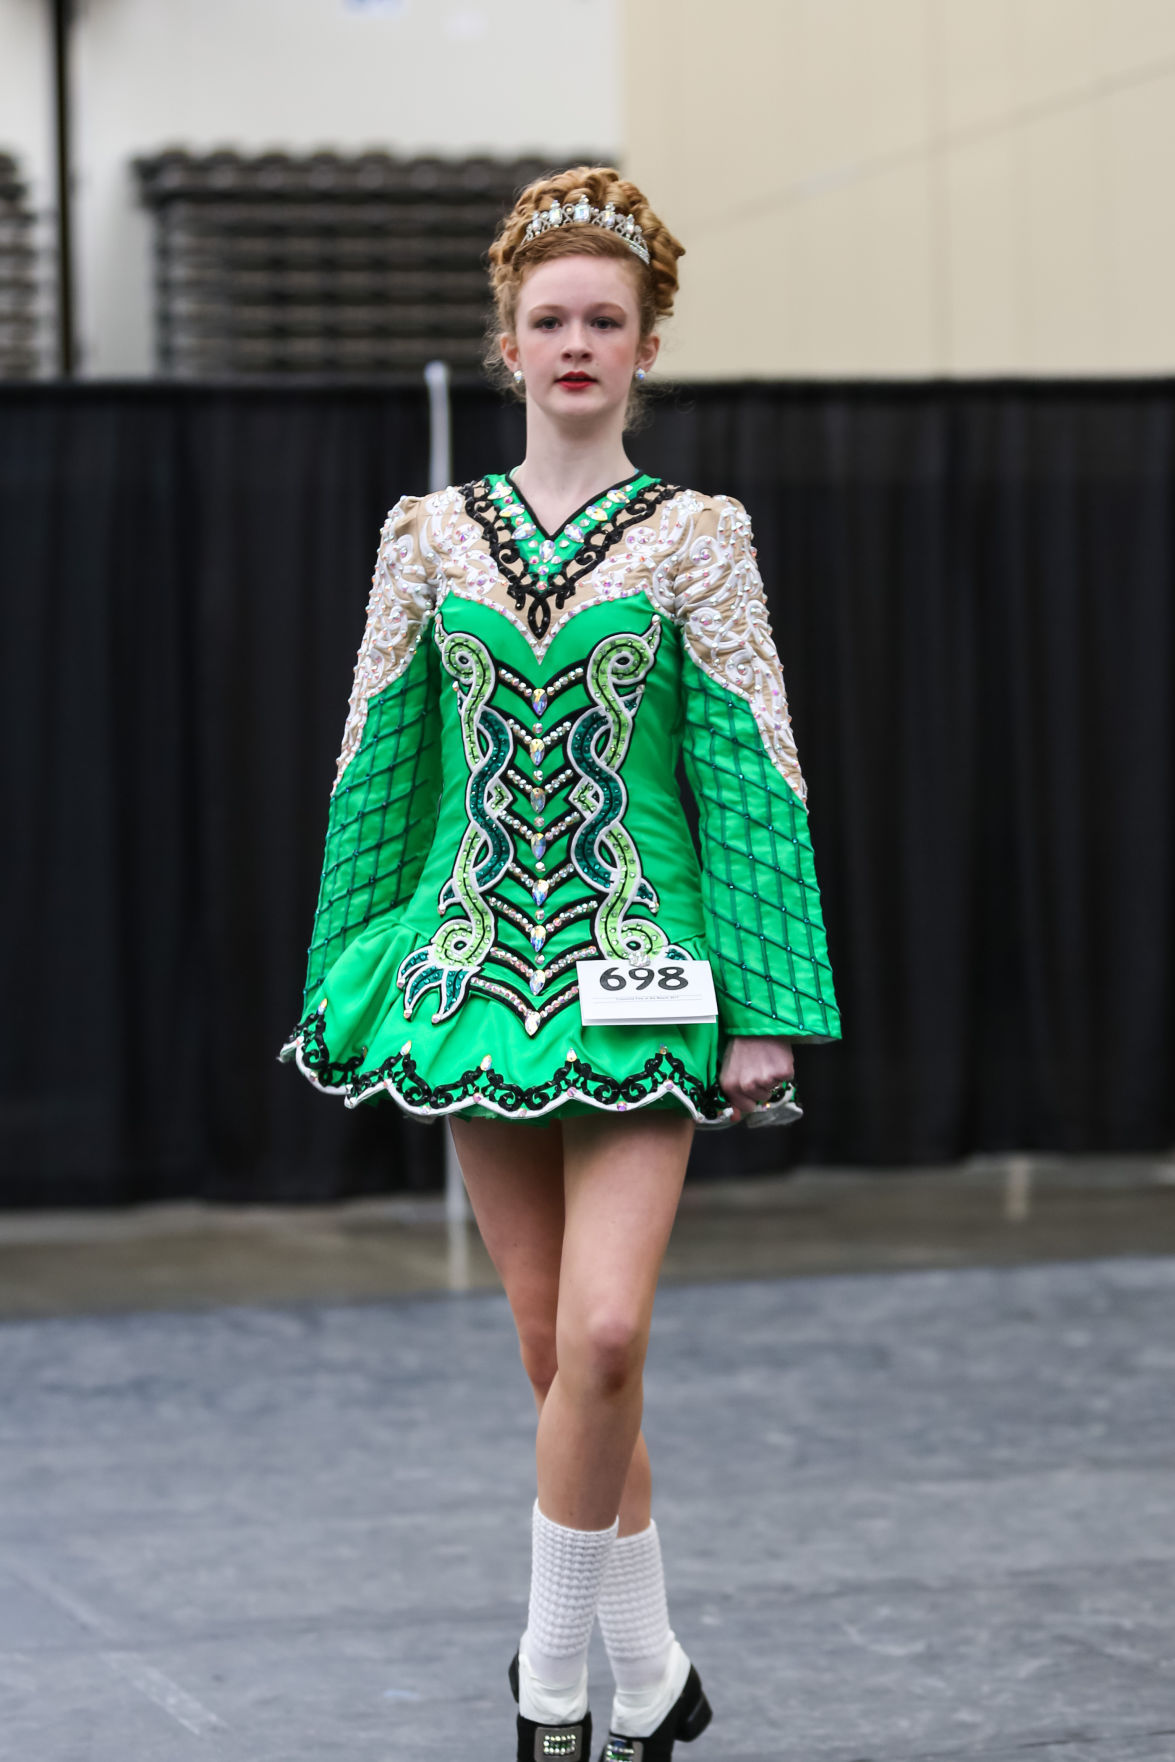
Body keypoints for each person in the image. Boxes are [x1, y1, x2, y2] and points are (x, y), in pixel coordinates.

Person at [281, 165, 840, 1762]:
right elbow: (379, 758)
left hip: (650, 979)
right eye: (550, 320)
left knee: (605, 1335)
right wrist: (346, 964)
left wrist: (771, 1011)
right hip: (471, 981)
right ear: (508, 344)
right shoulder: (428, 537)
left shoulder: (696, 539)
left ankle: (547, 1698)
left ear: (647, 344)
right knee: (551, 1353)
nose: (577, 342)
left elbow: (754, 768)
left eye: (608, 318)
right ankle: (655, 1672)